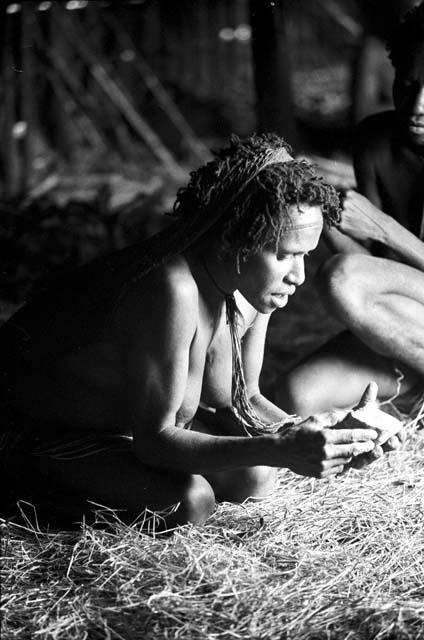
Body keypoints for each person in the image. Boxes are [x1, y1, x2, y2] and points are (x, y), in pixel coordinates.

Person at [0, 134, 384, 529]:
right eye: (284, 255)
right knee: (190, 502)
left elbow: (242, 401)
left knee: (254, 476)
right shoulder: (170, 287)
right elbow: (155, 439)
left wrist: (327, 436)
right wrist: (278, 448)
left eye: (305, 254)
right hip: (42, 434)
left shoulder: (251, 290)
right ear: (237, 239)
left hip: (125, 437)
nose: (298, 276)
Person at [278, 3, 424, 418]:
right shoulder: (376, 142)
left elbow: (369, 261)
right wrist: (326, 221)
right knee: (293, 396)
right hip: (412, 327)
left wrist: (384, 227)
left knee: (343, 279)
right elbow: (381, 274)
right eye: (408, 84)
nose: (416, 106)